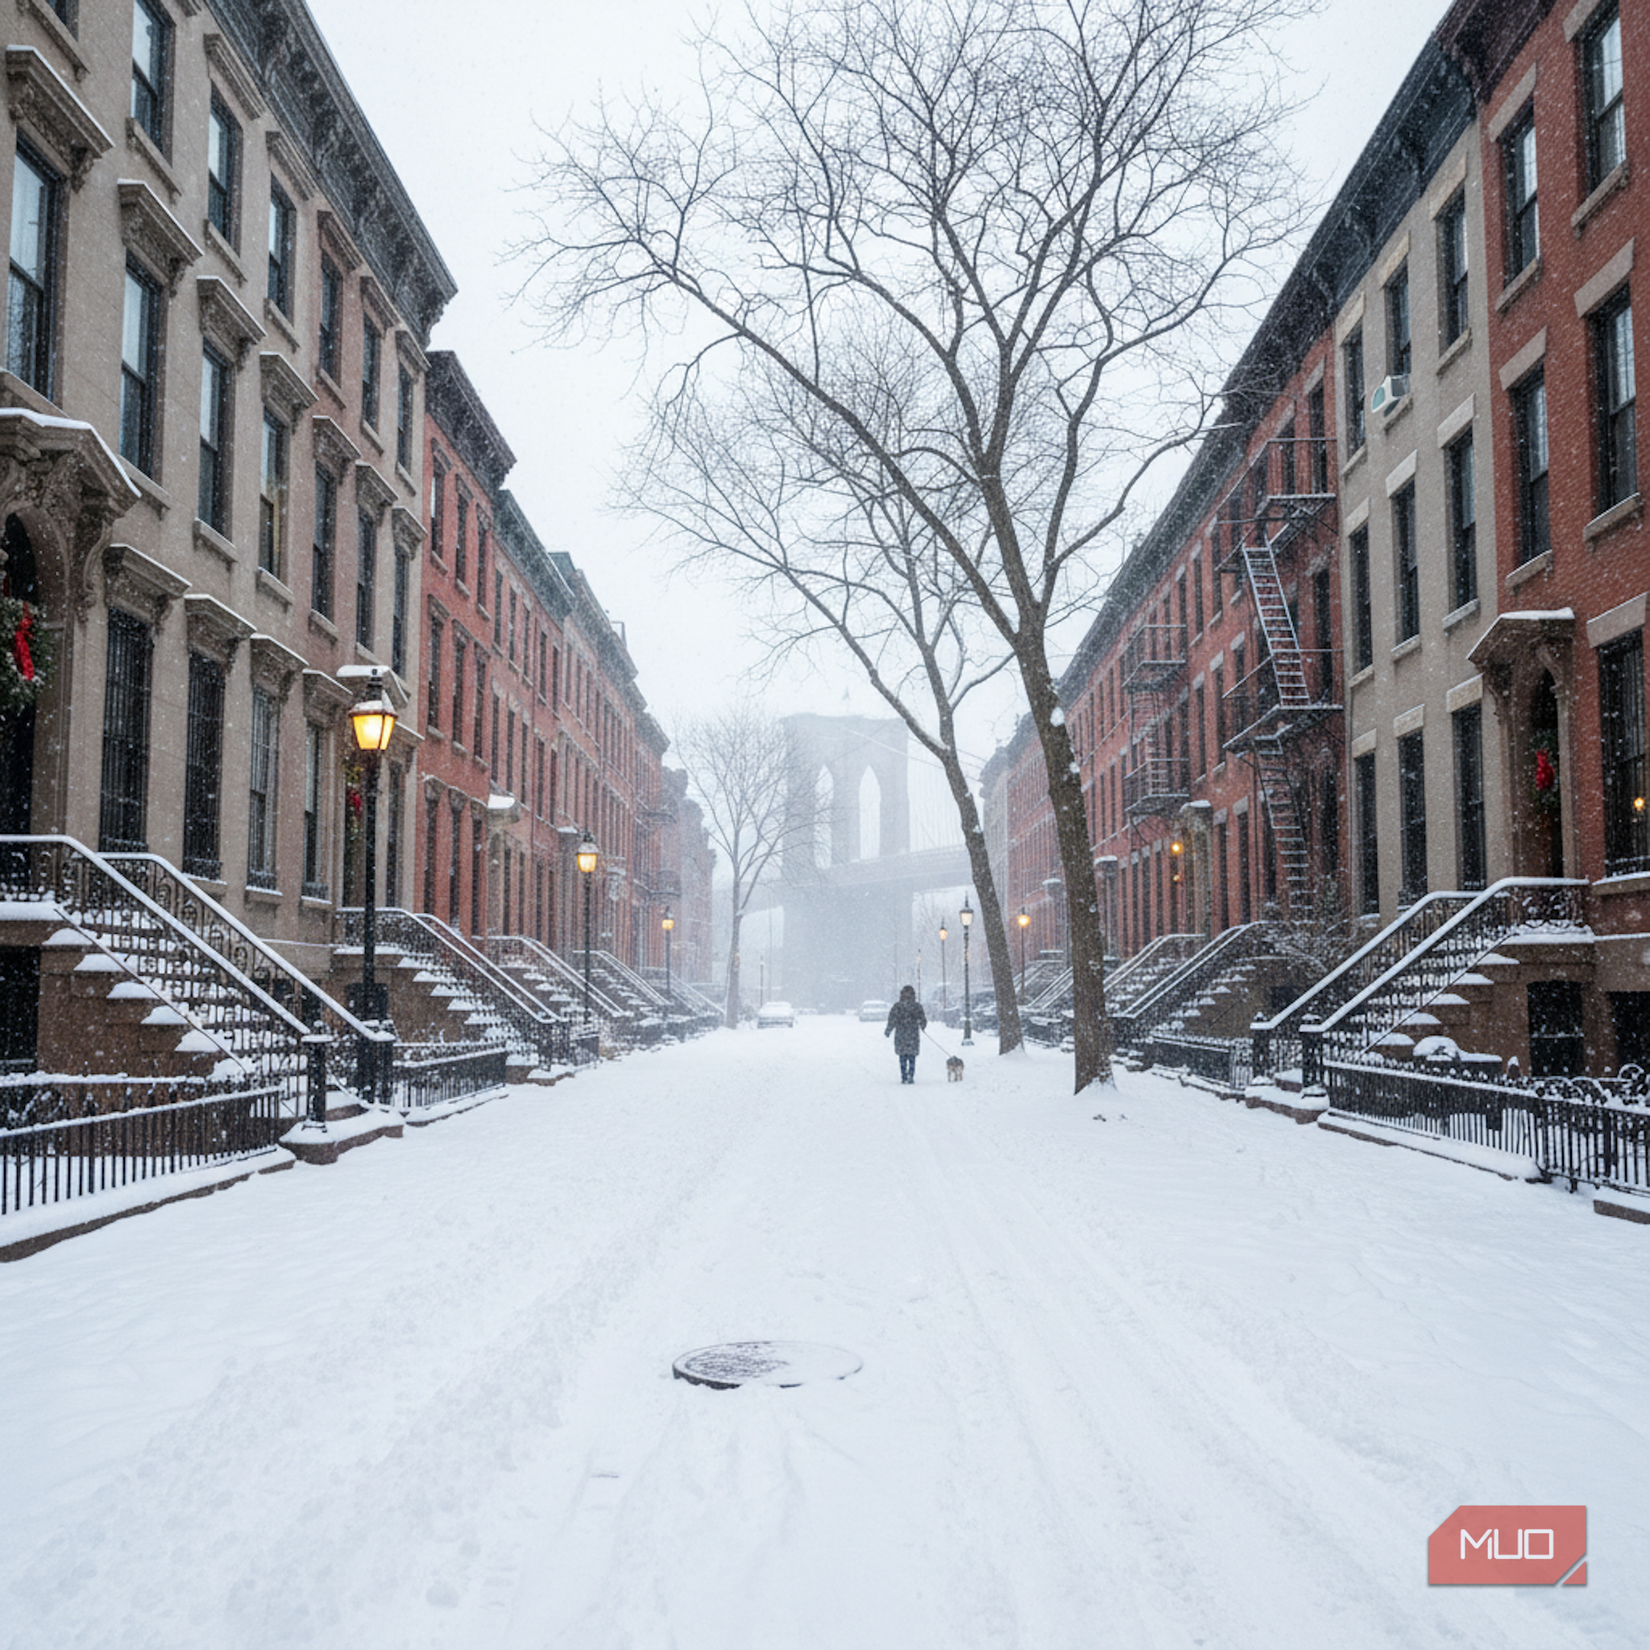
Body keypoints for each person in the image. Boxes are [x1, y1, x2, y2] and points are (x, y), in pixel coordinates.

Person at [883, 985, 927, 1084]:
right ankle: (910, 1075)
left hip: (901, 1034)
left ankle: (904, 1075)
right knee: (911, 1057)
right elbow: (922, 1019)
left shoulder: (898, 1006)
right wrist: (922, 1025)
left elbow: (892, 1019)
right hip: (912, 1034)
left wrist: (888, 1030)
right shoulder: (916, 1006)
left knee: (903, 1056)